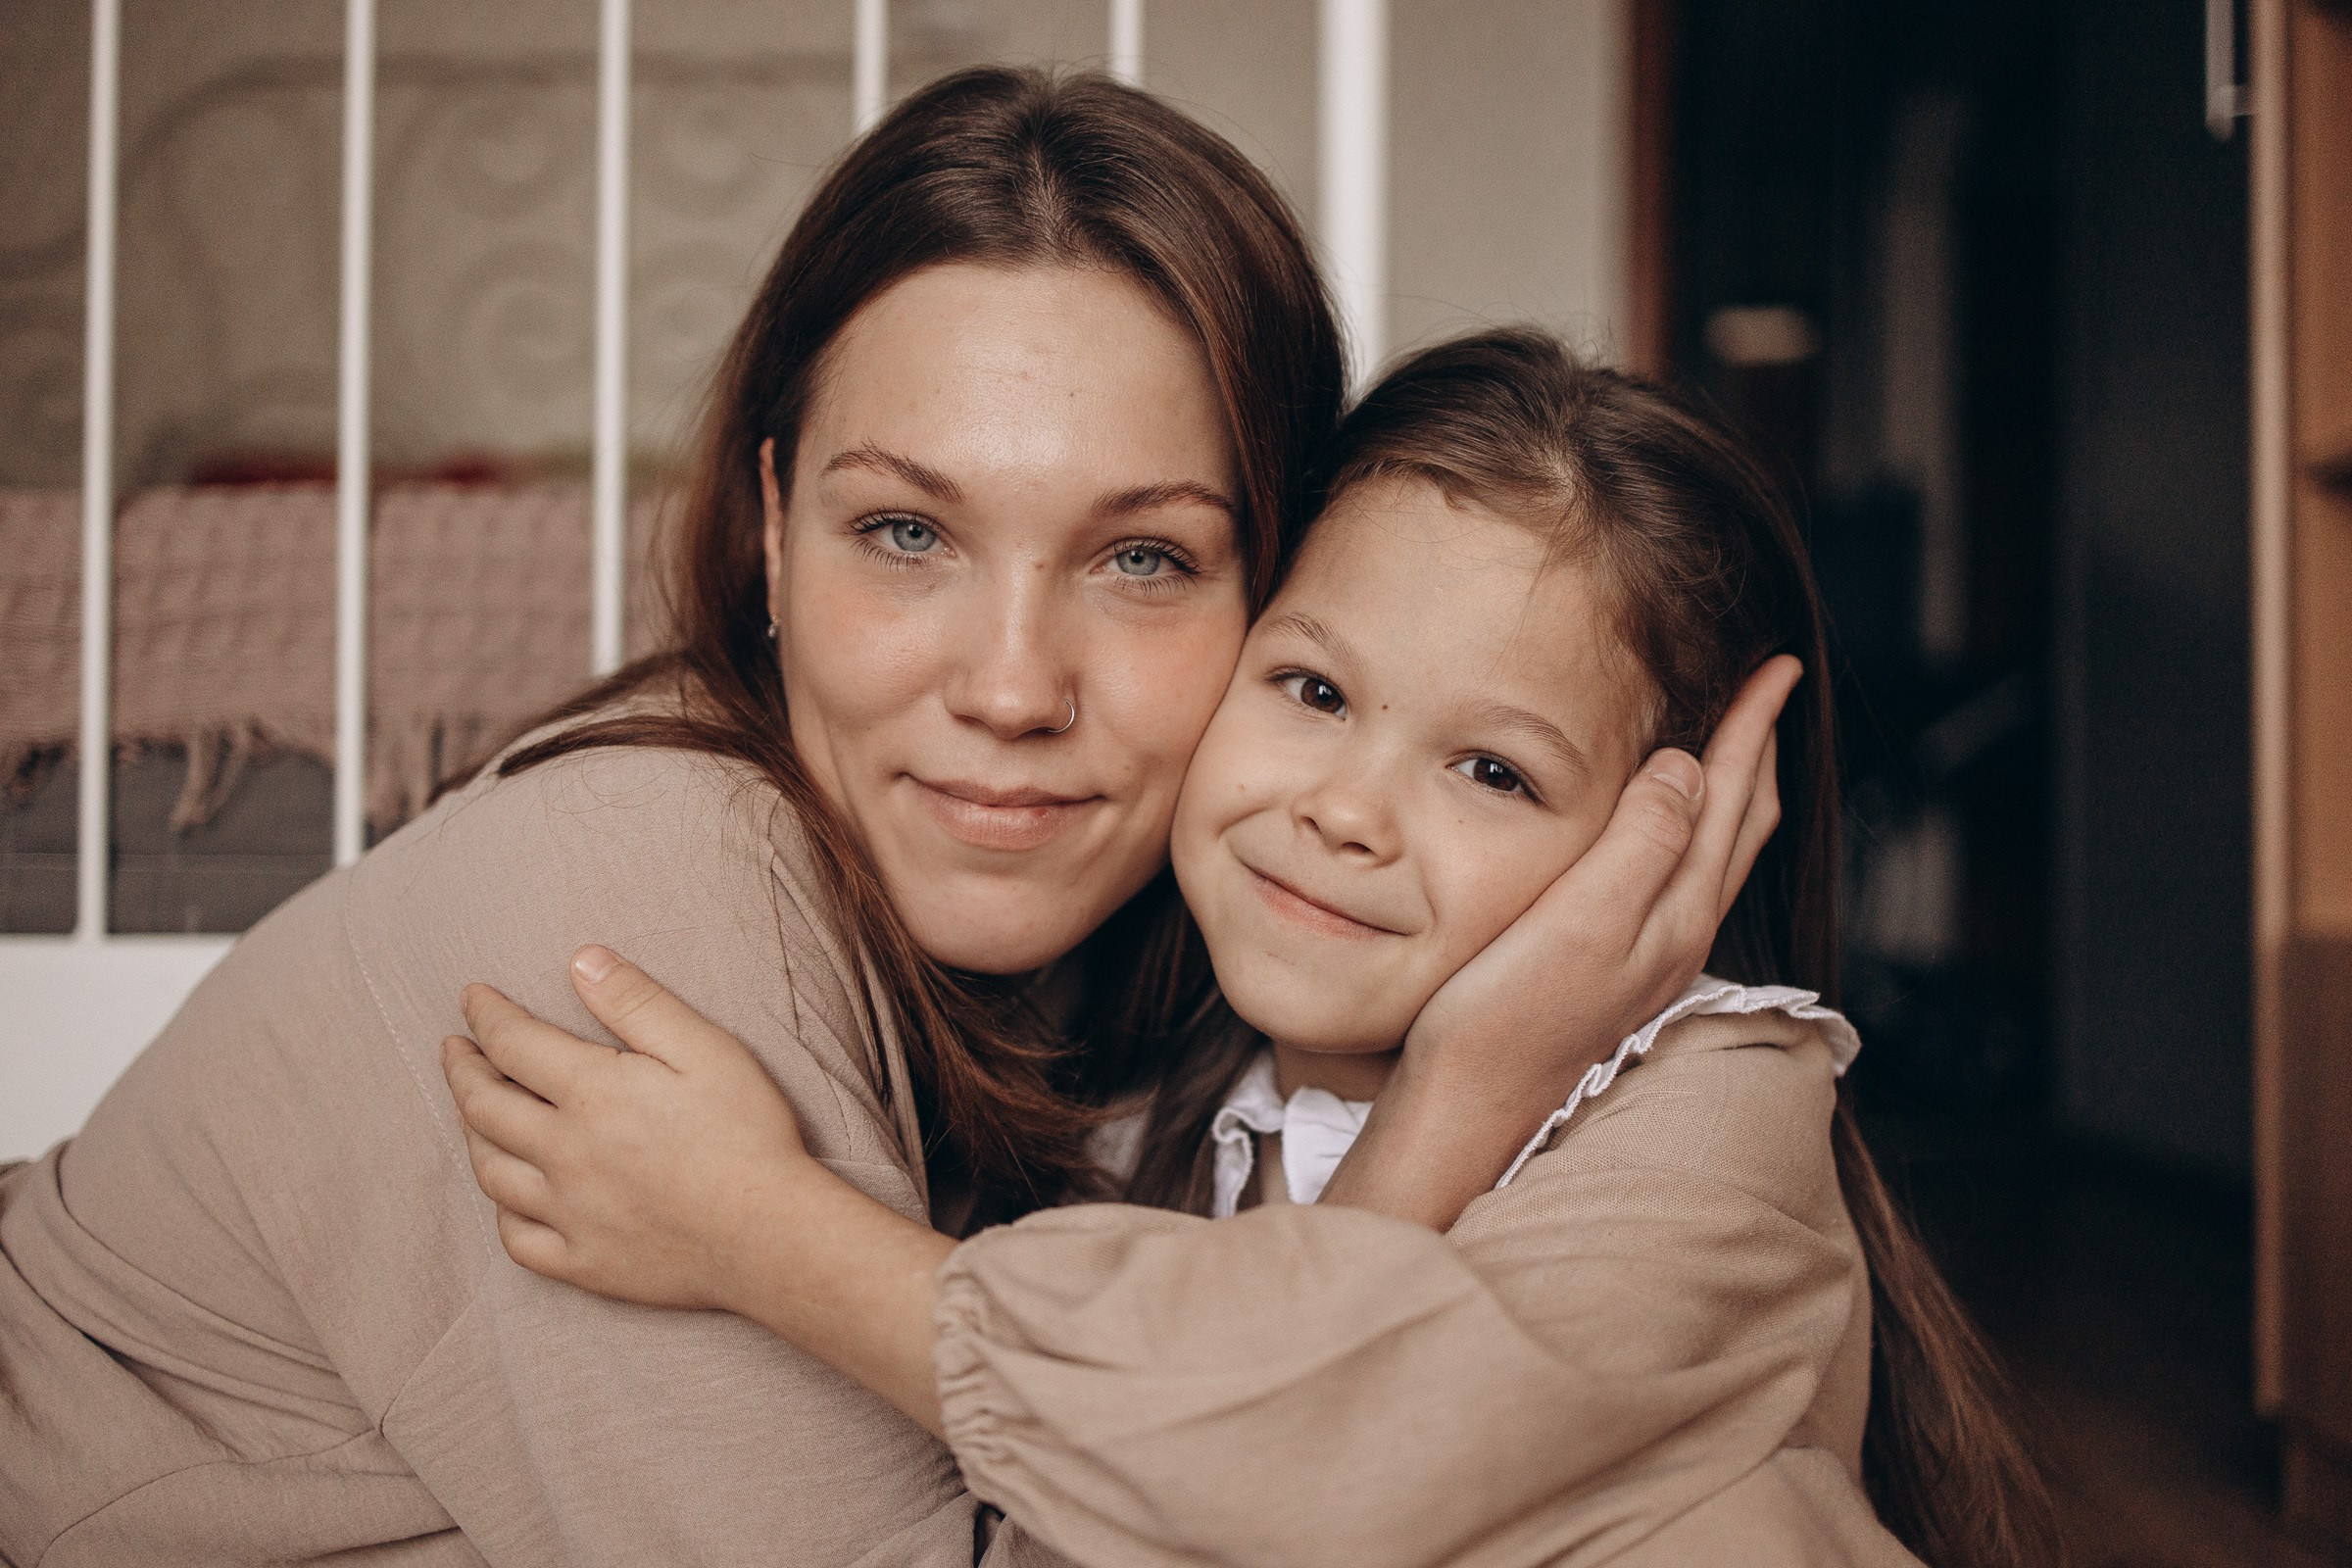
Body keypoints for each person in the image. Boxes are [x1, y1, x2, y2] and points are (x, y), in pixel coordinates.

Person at [0, 72, 1770, 1567]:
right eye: (905, 534)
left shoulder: (1209, 965)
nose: (1011, 686)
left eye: (1143, 558)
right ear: (770, 529)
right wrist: (1462, 1099)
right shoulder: (630, 895)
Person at [443, 332, 2063, 1567]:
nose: (1350, 813)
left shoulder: (1711, 1117)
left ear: (1674, 846)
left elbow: (1305, 1455)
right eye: (1312, 690)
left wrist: (756, 1226)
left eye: (1493, 773)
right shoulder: (1168, 1114)